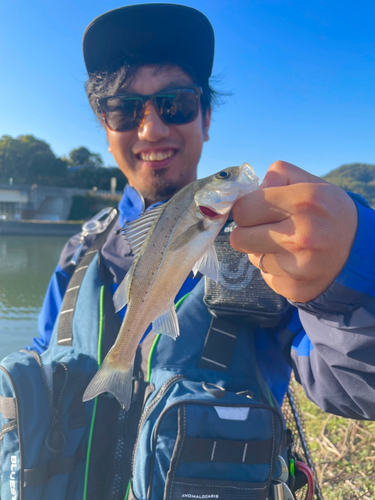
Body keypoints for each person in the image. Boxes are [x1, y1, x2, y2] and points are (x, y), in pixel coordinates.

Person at [30, 2, 375, 497]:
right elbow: (43, 360)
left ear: (206, 118)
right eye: (124, 109)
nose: (151, 129)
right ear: (106, 131)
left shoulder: (270, 253)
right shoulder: (78, 254)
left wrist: (356, 265)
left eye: (175, 103)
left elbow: (356, 385)